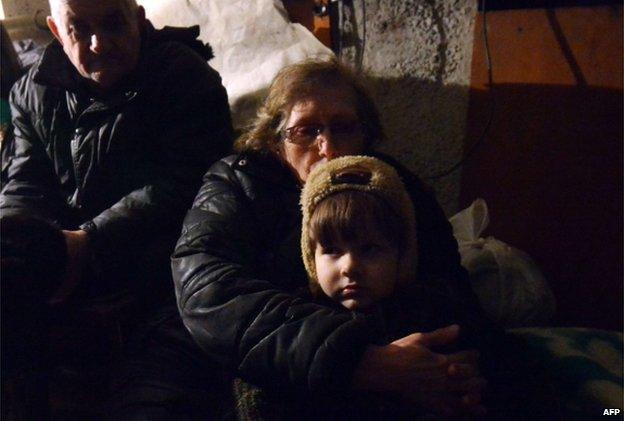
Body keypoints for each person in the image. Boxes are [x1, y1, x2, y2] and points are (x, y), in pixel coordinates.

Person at [169, 57, 490, 417]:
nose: (328, 148)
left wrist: (448, 371)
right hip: (290, 375)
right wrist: (363, 363)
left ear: (366, 135)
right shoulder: (236, 184)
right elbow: (207, 292)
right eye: (307, 131)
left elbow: (449, 285)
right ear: (276, 141)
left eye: (343, 127)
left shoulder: (393, 187)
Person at [0, 0, 232, 416]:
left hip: (160, 287)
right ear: (56, 31)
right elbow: (26, 183)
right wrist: (19, 241)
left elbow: (185, 185)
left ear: (138, 19)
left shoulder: (186, 79)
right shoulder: (32, 91)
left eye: (112, 24)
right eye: (79, 30)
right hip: (66, 279)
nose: (98, 43)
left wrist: (88, 241)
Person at [233, 155, 491, 419]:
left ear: (401, 255)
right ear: (311, 257)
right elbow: (255, 398)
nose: (349, 267)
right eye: (332, 250)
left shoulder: (435, 312)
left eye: (369, 249)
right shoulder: (296, 320)